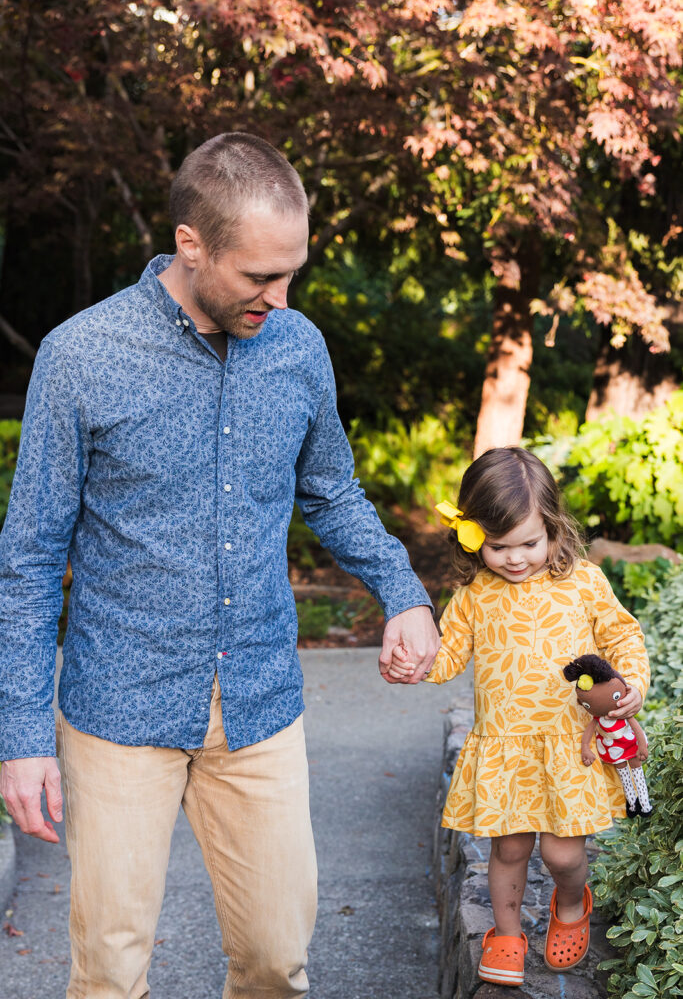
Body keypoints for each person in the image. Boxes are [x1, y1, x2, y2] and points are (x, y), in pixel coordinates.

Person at [0, 132, 439, 999]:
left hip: (259, 703)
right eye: (258, 277)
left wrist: (402, 591)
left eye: (292, 273)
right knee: (111, 970)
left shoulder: (297, 347)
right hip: (118, 707)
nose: (279, 298)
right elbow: (29, 559)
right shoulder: (82, 356)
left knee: (278, 959)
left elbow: (333, 493)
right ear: (189, 243)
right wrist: (20, 739)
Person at [388, 447, 649, 988]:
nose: (513, 559)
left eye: (528, 543)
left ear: (553, 528)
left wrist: (633, 687)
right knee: (508, 848)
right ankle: (505, 932)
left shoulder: (583, 583)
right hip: (506, 747)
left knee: (561, 853)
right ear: (473, 538)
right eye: (497, 546)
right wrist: (417, 663)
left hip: (564, 745)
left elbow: (623, 636)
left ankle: (572, 903)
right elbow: (450, 655)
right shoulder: (473, 597)